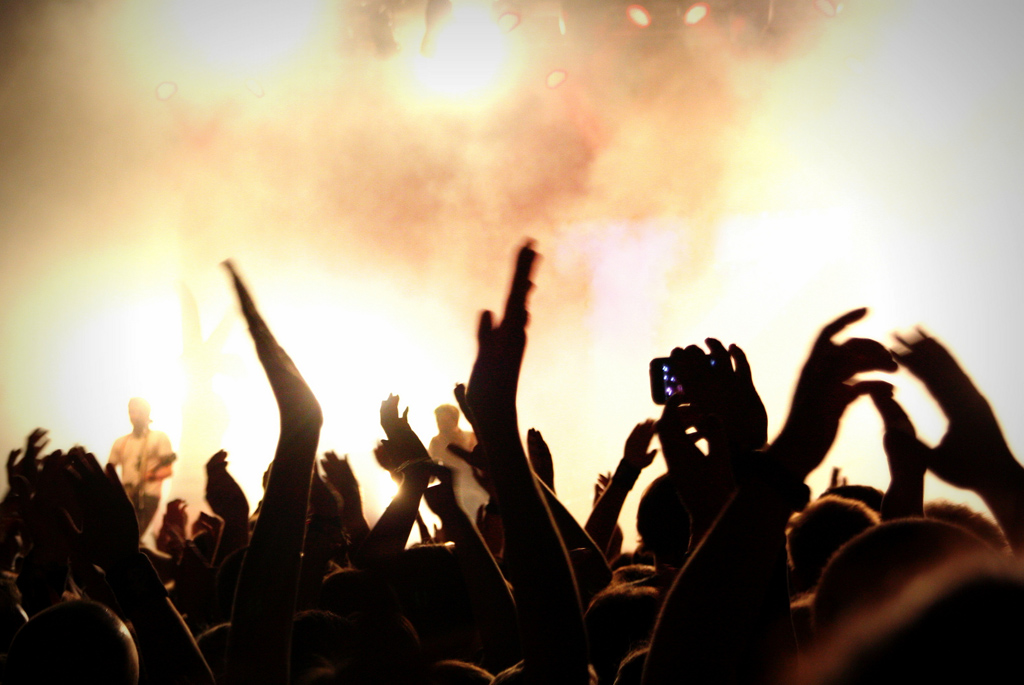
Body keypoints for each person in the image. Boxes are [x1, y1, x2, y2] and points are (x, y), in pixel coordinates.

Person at [108, 397, 176, 536]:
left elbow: (168, 470)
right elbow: (109, 469)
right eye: (131, 412)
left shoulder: (158, 438)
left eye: (138, 412)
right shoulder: (121, 442)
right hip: (127, 495)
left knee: (133, 535)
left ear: (146, 413)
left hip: (148, 496)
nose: (134, 416)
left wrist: (152, 475)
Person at [427, 404, 487, 521]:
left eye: (445, 421)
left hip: (478, 488)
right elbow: (431, 471)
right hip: (456, 493)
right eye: (439, 421)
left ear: (455, 420)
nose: (441, 425)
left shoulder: (471, 437)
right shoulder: (436, 442)